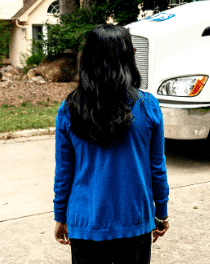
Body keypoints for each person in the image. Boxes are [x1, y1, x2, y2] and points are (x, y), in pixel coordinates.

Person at [53, 24, 170, 264]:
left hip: (85, 223)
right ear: (129, 57)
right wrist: (161, 213)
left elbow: (64, 172)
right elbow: (157, 168)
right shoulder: (148, 107)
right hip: (135, 221)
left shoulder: (69, 109)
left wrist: (60, 216)